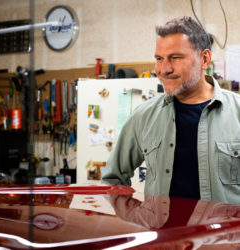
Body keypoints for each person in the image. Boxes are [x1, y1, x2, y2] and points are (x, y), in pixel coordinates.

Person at [102, 16, 240, 204]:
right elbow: (112, 180)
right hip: (163, 233)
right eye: (159, 59)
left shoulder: (237, 112)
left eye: (175, 58)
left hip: (225, 234)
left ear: (205, 59)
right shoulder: (144, 116)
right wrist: (137, 217)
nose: (164, 69)